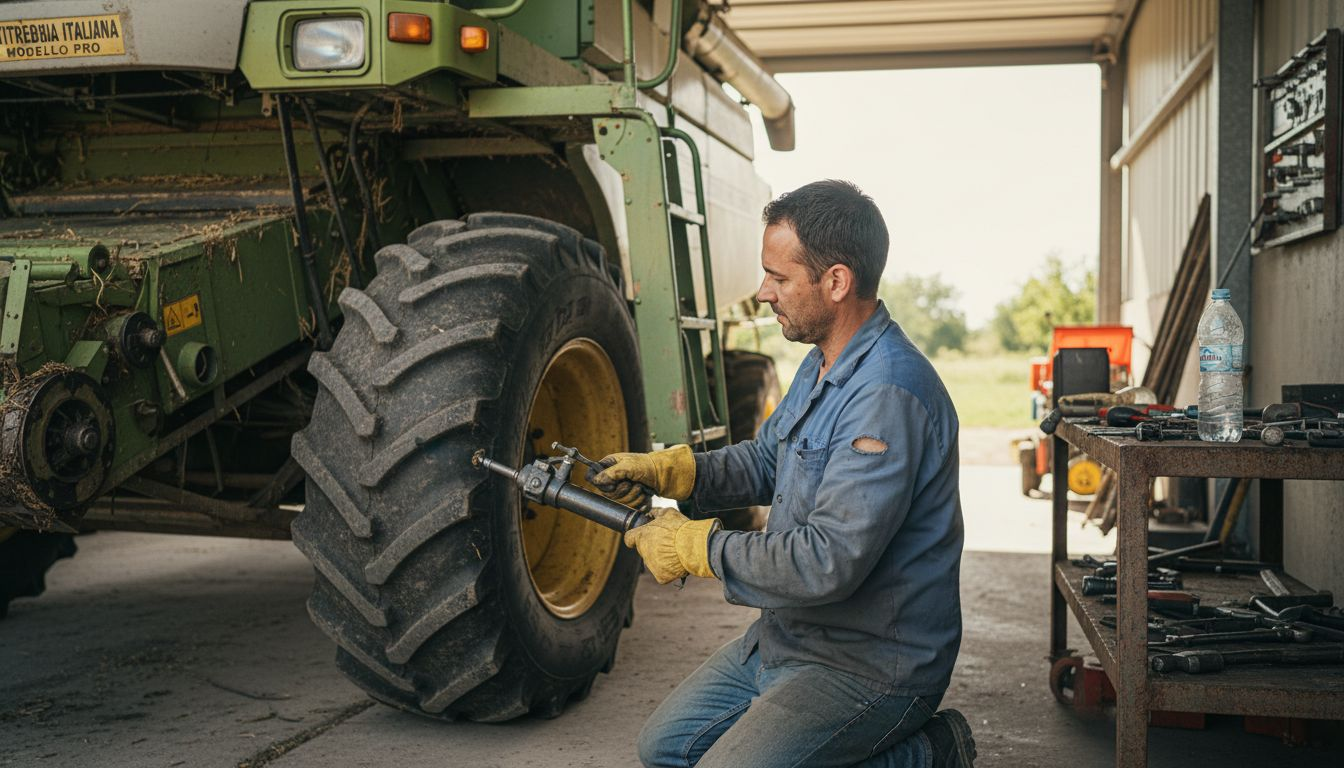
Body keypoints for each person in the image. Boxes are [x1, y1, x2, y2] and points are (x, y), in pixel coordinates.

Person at [591, 180, 974, 768]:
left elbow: (827, 560)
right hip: (791, 637)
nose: (763, 291)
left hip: (871, 663)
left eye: (779, 276)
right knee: (664, 748)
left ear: (837, 282)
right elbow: (767, 460)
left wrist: (700, 547)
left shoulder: (887, 395)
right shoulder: (824, 363)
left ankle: (928, 753)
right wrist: (674, 472)